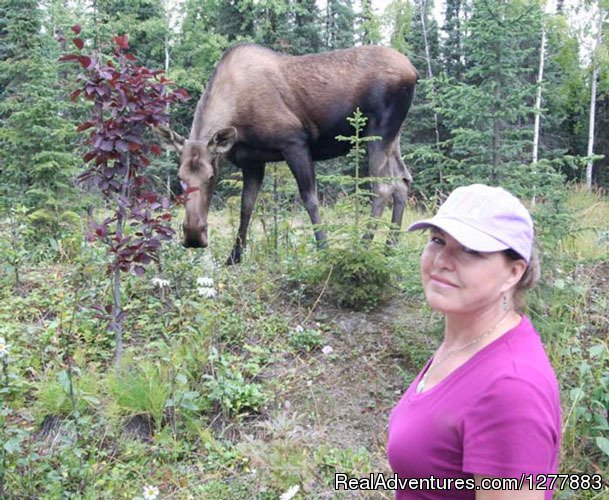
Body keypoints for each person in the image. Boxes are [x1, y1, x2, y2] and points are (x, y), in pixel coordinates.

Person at [387, 184, 561, 499]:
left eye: (469, 250)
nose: (441, 260)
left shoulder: (511, 387)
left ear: (513, 273)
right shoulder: (466, 343)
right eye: (437, 240)